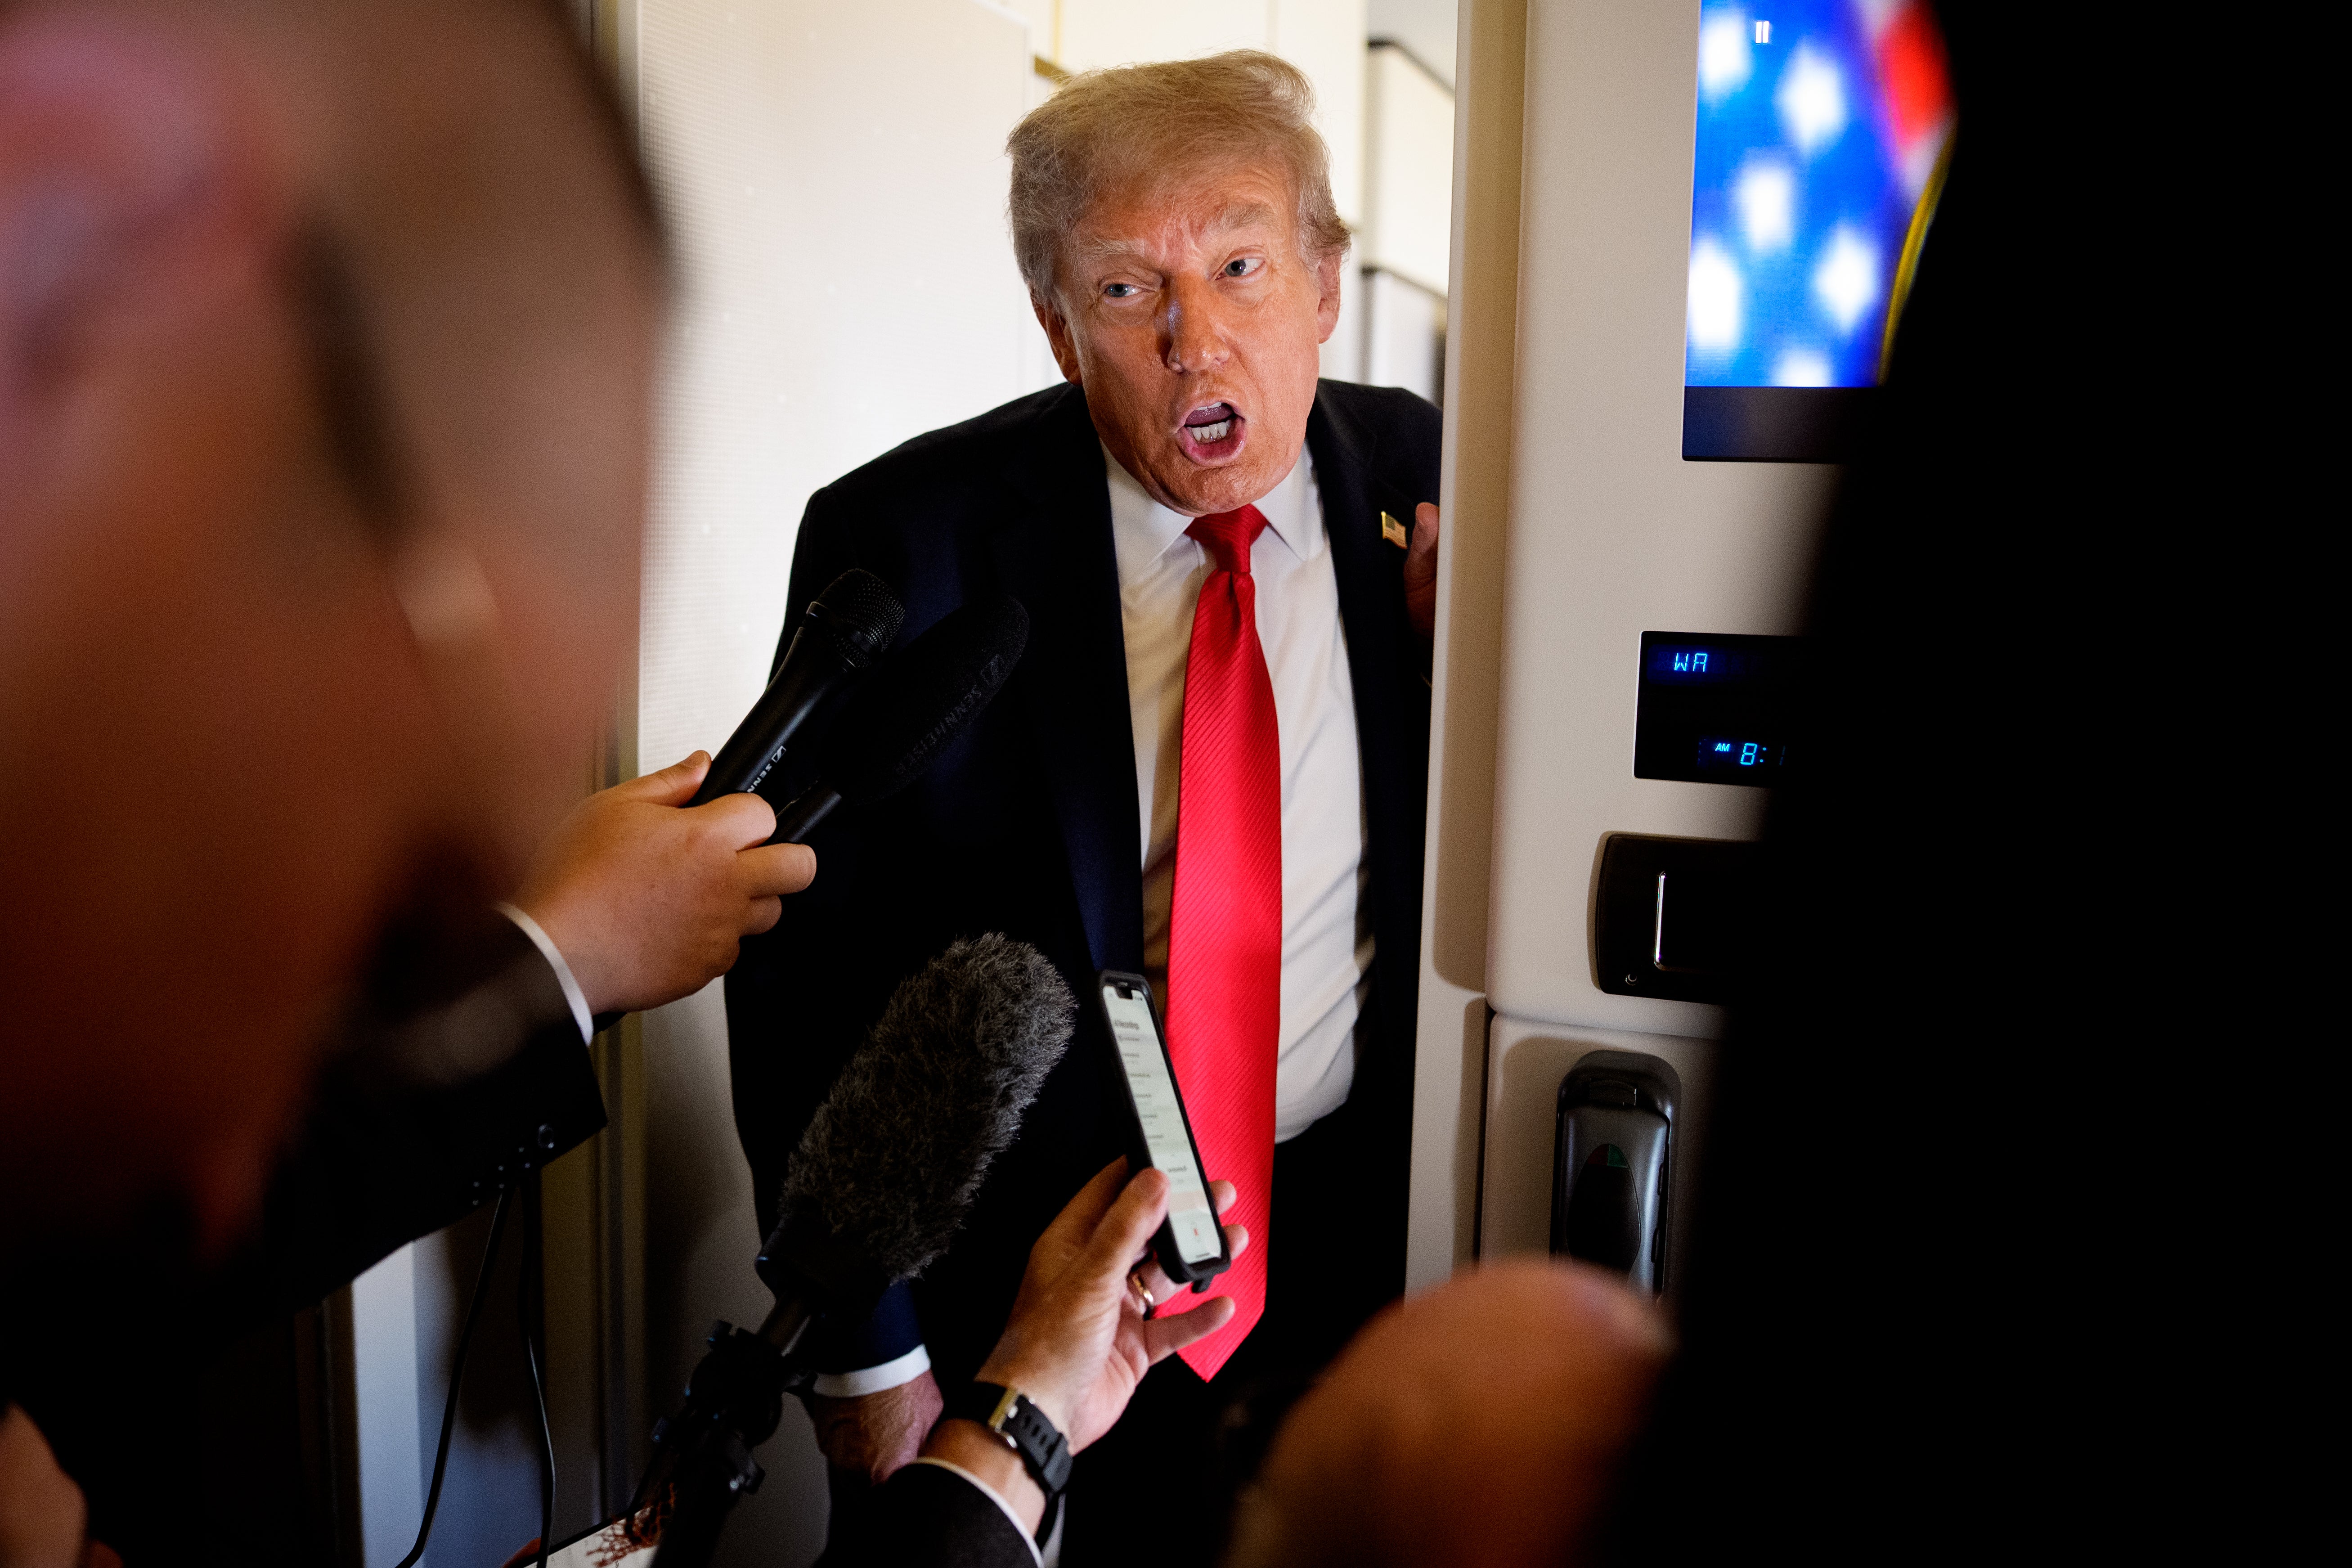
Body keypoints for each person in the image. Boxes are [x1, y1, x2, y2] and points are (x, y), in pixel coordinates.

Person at [724, 50, 1443, 1555]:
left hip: (1361, 1259)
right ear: (1058, 329)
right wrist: (871, 1365)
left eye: (1240, 267)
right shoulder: (903, 541)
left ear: (1323, 283)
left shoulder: (1439, 485)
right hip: (1021, 1306)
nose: (1194, 341)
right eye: (1126, 291)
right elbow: (796, 976)